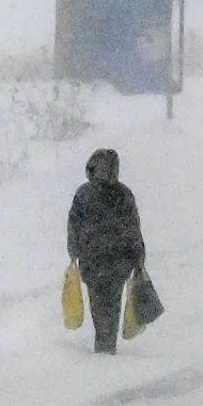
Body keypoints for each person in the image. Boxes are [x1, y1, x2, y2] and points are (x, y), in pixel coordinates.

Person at [67, 149, 146, 354]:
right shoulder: (123, 194)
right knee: (112, 304)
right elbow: (133, 228)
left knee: (98, 305)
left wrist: (74, 251)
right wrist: (138, 257)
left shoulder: (84, 194)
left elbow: (74, 225)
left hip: (93, 261)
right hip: (118, 263)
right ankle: (107, 345)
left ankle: (103, 345)